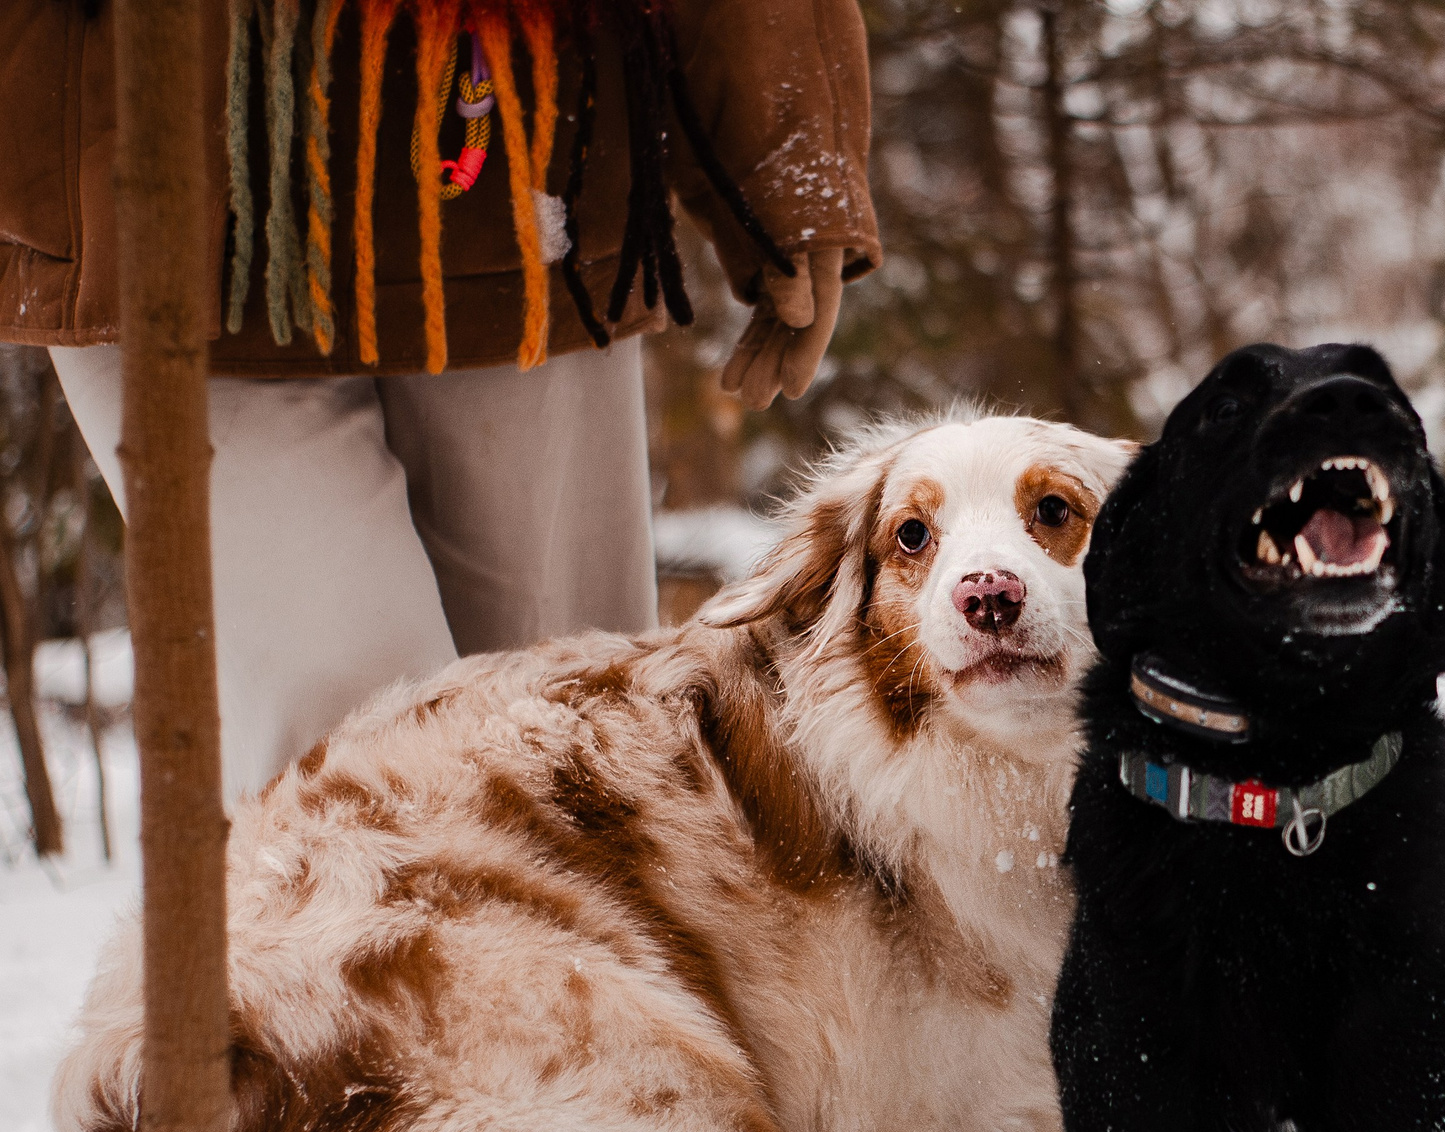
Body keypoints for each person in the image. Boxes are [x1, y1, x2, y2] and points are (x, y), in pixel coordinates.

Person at [0, 0, 880, 796]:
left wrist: (786, 148)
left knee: (575, 748)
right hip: (143, 164)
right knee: (358, 760)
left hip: (515, 156)